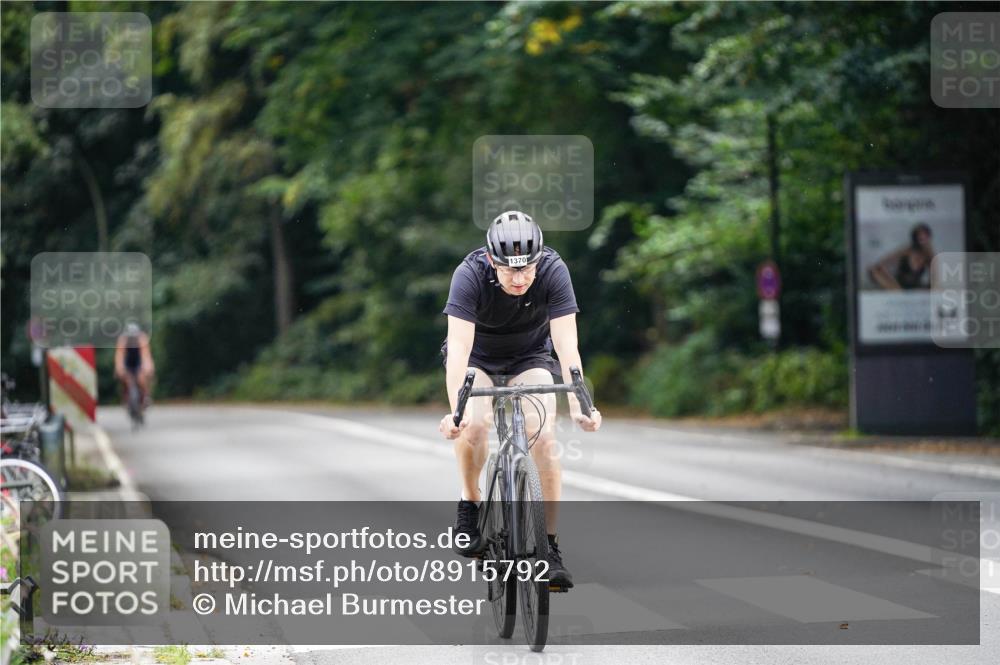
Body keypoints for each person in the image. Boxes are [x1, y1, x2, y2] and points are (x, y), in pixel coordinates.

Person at [438, 210, 602, 589]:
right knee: (475, 428)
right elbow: (460, 348)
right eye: (510, 270)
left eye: (527, 268)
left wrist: (580, 404)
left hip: (530, 356)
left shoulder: (553, 270)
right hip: (478, 357)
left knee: (543, 439)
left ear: (539, 259)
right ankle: (470, 502)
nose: (519, 278)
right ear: (492, 260)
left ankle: (549, 547)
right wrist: (456, 413)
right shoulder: (469, 275)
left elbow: (566, 344)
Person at [868, 223, 936, 290]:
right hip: (898, 286)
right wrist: (886, 275)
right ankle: (897, 291)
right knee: (874, 270)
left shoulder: (928, 255)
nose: (922, 241)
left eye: (925, 238)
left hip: (916, 287)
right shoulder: (906, 251)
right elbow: (881, 263)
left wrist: (930, 252)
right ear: (915, 238)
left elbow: (935, 275)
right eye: (920, 238)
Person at [114, 323, 155, 407]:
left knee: (142, 378)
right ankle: (126, 397)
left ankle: (146, 396)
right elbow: (119, 356)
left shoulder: (142, 339)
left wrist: (148, 368)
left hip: (138, 360)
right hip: (127, 361)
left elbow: (146, 355)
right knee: (125, 379)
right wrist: (119, 368)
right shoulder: (123, 340)